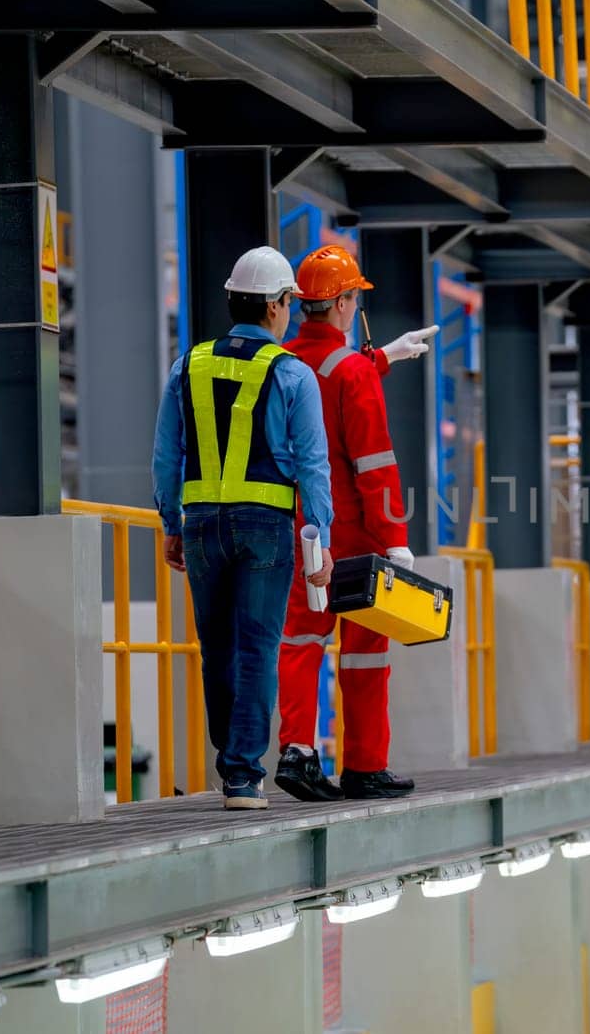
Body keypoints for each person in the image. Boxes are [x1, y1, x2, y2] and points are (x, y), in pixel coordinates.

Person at [152, 245, 335, 810]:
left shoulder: (189, 365)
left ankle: (229, 758)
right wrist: (320, 537)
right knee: (258, 647)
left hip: (202, 523)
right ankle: (241, 777)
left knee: (218, 650)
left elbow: (166, 455)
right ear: (278, 305)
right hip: (266, 528)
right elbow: (311, 462)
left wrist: (171, 522)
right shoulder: (292, 374)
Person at [273, 245, 437, 801]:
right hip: (358, 537)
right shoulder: (351, 373)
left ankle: (297, 752)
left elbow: (326, 382)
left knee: (300, 640)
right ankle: (365, 765)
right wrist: (395, 540)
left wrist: (383, 357)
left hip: (300, 533)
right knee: (365, 652)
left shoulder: (284, 366)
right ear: (344, 303)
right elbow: (375, 464)